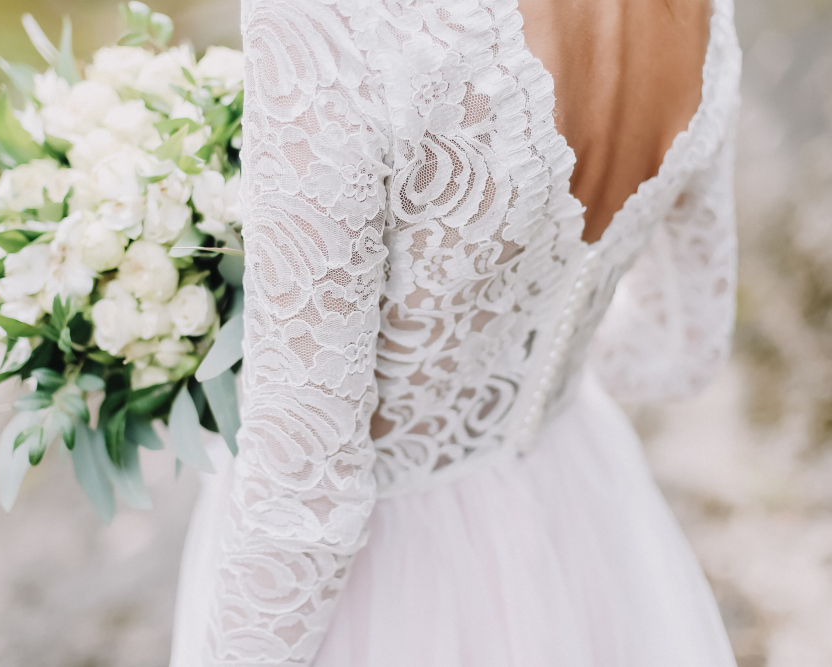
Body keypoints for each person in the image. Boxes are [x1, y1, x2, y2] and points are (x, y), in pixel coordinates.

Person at [173, 0, 741, 664]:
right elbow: (682, 348)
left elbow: (305, 491)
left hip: (388, 586)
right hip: (581, 517)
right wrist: (521, 362)